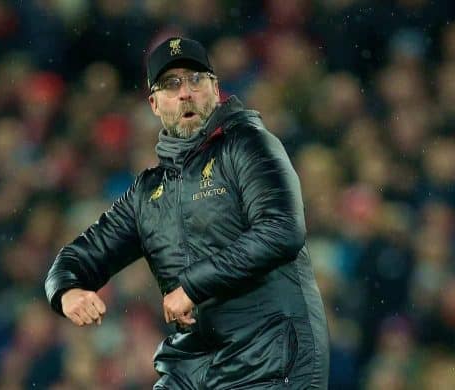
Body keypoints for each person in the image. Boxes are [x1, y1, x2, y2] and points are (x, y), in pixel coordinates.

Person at [45, 36, 330, 389]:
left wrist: (192, 286)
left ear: (215, 88)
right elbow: (78, 257)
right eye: (171, 84)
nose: (186, 93)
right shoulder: (147, 194)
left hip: (271, 358)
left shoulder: (249, 144)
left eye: (196, 79)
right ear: (153, 103)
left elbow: (281, 230)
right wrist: (67, 290)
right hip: (192, 366)